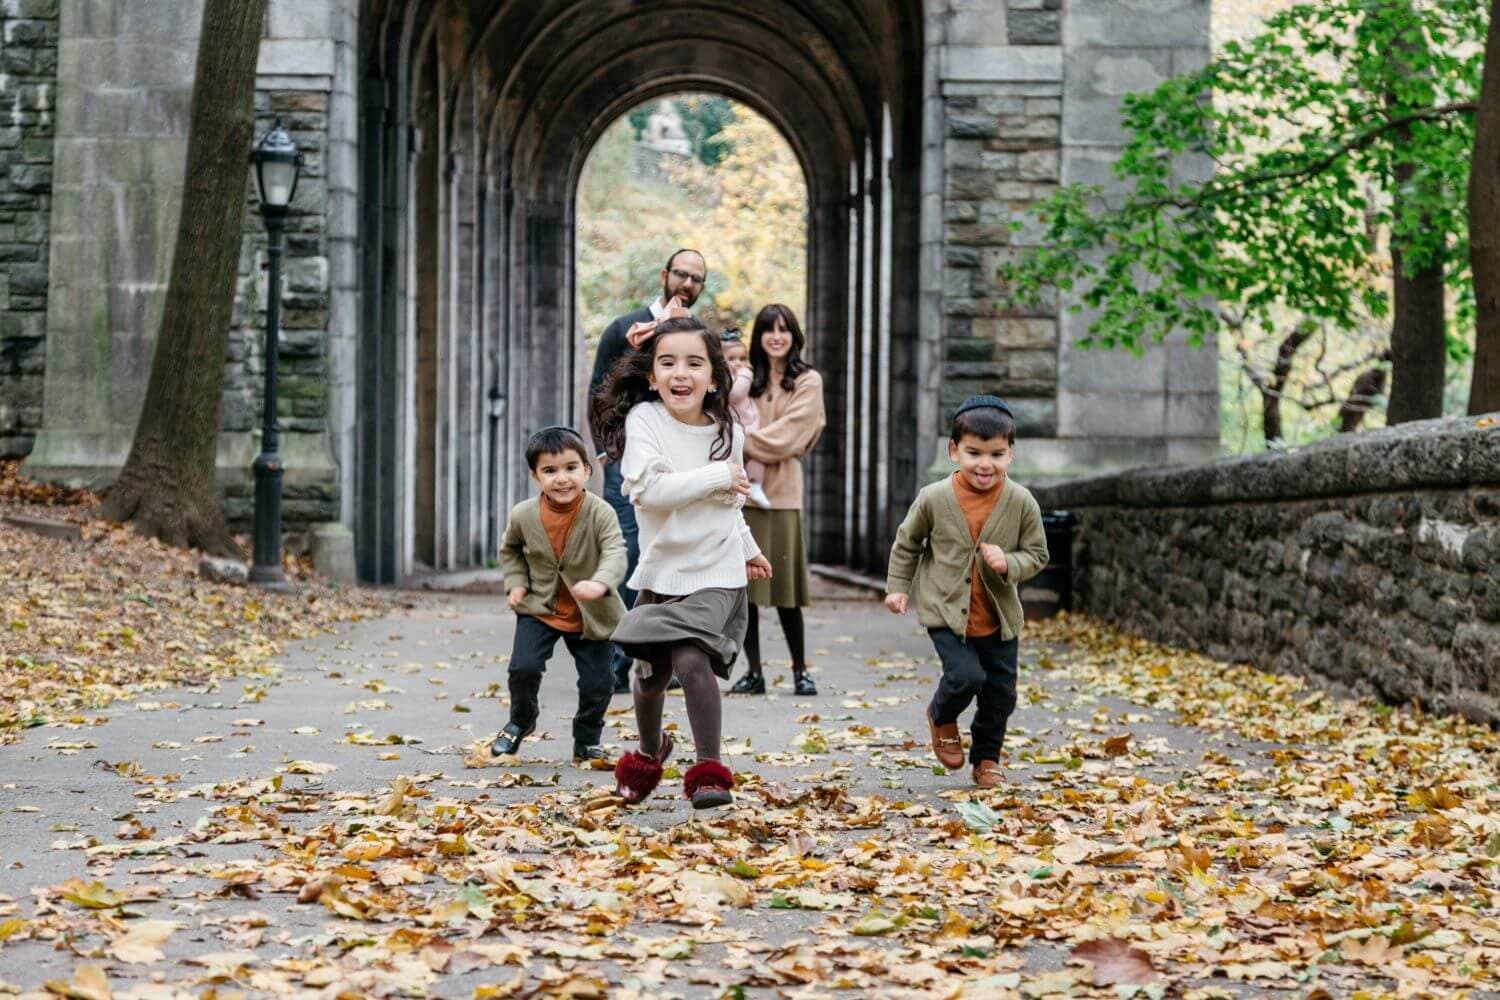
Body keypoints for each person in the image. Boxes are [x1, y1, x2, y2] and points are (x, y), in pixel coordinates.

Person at [590, 315, 772, 809]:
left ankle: (709, 771)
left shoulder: (725, 432)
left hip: (718, 569)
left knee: (691, 660)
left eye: (695, 363)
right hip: (662, 571)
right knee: (648, 674)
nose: (681, 374)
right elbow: (650, 492)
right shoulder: (644, 422)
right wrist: (717, 475)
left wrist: (749, 547)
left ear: (714, 377)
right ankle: (651, 753)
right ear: (652, 375)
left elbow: (729, 504)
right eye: (668, 362)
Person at [883, 395, 1049, 789]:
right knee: (965, 677)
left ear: (1011, 455)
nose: (985, 464)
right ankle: (942, 715)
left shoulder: (1022, 501)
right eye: (974, 452)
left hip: (999, 618)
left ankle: (987, 759)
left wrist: (1010, 563)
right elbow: (908, 544)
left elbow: (1038, 553)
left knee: (1000, 695)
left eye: (996, 454)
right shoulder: (934, 498)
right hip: (945, 611)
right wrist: (898, 588)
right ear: (954, 451)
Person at [589, 249, 709, 694]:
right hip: (629, 462)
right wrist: (608, 453)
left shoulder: (699, 336)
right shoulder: (624, 329)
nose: (687, 284)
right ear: (664, 275)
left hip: (681, 463)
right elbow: (600, 392)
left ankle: (657, 657)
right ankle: (618, 660)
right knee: (629, 553)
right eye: (681, 274)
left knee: (673, 558)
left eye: (697, 278)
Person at [492, 426, 627, 763]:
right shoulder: (523, 515)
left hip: (591, 613)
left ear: (587, 469)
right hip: (539, 606)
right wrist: (517, 583)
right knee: (523, 668)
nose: (562, 479)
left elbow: (614, 551)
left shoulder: (600, 512)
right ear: (535, 477)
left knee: (599, 681)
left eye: (570, 468)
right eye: (549, 471)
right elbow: (509, 551)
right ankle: (520, 721)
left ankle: (587, 738)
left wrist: (600, 582)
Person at [727, 305, 826, 697]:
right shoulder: (746, 379)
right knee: (746, 590)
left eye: (784, 330)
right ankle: (754, 671)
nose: (777, 337)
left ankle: (801, 669)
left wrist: (739, 442)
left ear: (794, 335)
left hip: (782, 494)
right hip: (742, 494)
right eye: (769, 330)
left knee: (785, 589)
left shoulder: (807, 381)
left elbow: (793, 433)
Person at [721, 328, 772, 509]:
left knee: (756, 457)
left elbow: (735, 394)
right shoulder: (720, 376)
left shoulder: (745, 374)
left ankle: (756, 484)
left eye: (742, 358)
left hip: (747, 423)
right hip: (730, 425)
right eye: (732, 359)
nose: (738, 363)